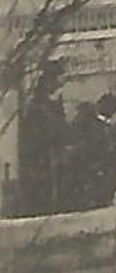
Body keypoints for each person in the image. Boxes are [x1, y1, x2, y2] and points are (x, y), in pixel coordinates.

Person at [19, 60, 68, 216]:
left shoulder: (54, 102)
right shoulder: (40, 105)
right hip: (43, 163)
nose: (62, 83)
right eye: (60, 78)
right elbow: (44, 134)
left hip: (53, 162)